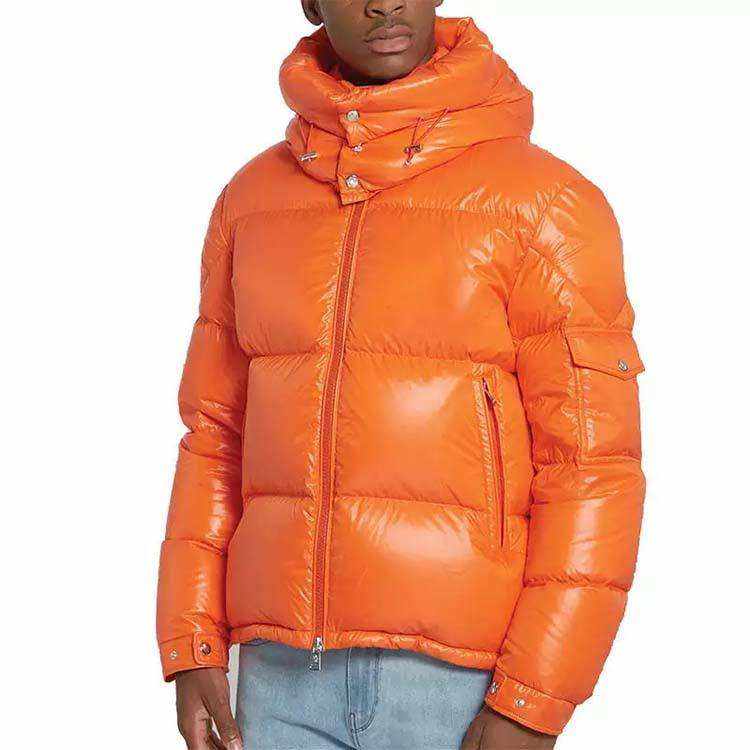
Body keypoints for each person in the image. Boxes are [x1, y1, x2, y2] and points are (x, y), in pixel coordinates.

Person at [156, 2, 646, 748]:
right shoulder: (252, 202)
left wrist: (535, 696)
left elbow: (592, 469)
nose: (384, 2)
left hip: (462, 681)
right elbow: (214, 437)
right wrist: (191, 642)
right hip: (278, 675)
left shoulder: (546, 204)